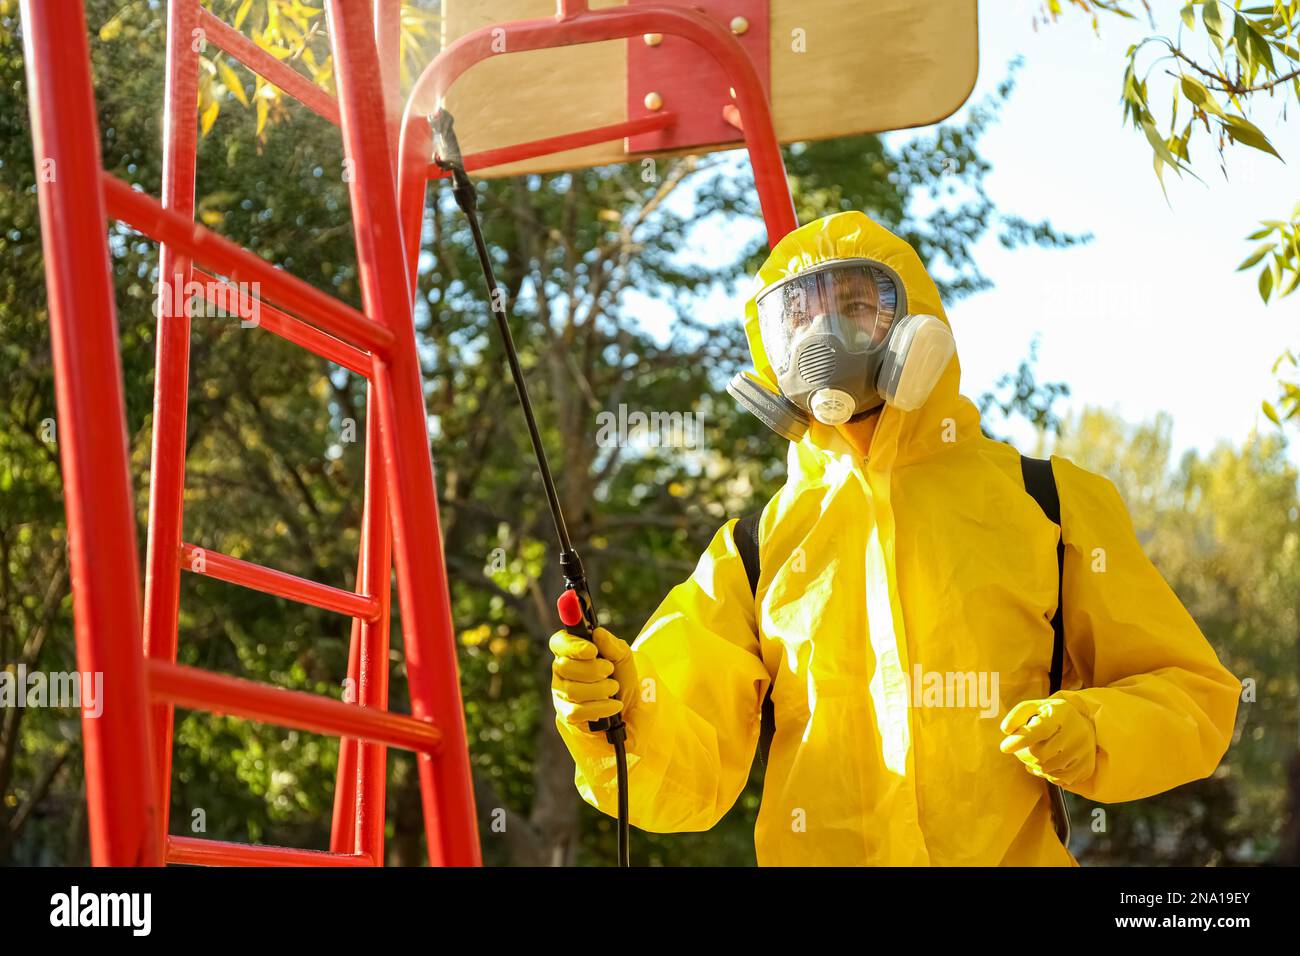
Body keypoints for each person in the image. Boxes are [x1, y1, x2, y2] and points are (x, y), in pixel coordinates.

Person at [549, 210, 1240, 866]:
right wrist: (619, 709)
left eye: (854, 306)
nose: (822, 338)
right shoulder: (753, 552)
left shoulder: (1049, 503)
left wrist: (1094, 728)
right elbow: (688, 781)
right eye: (800, 317)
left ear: (913, 324)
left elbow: (1193, 695)